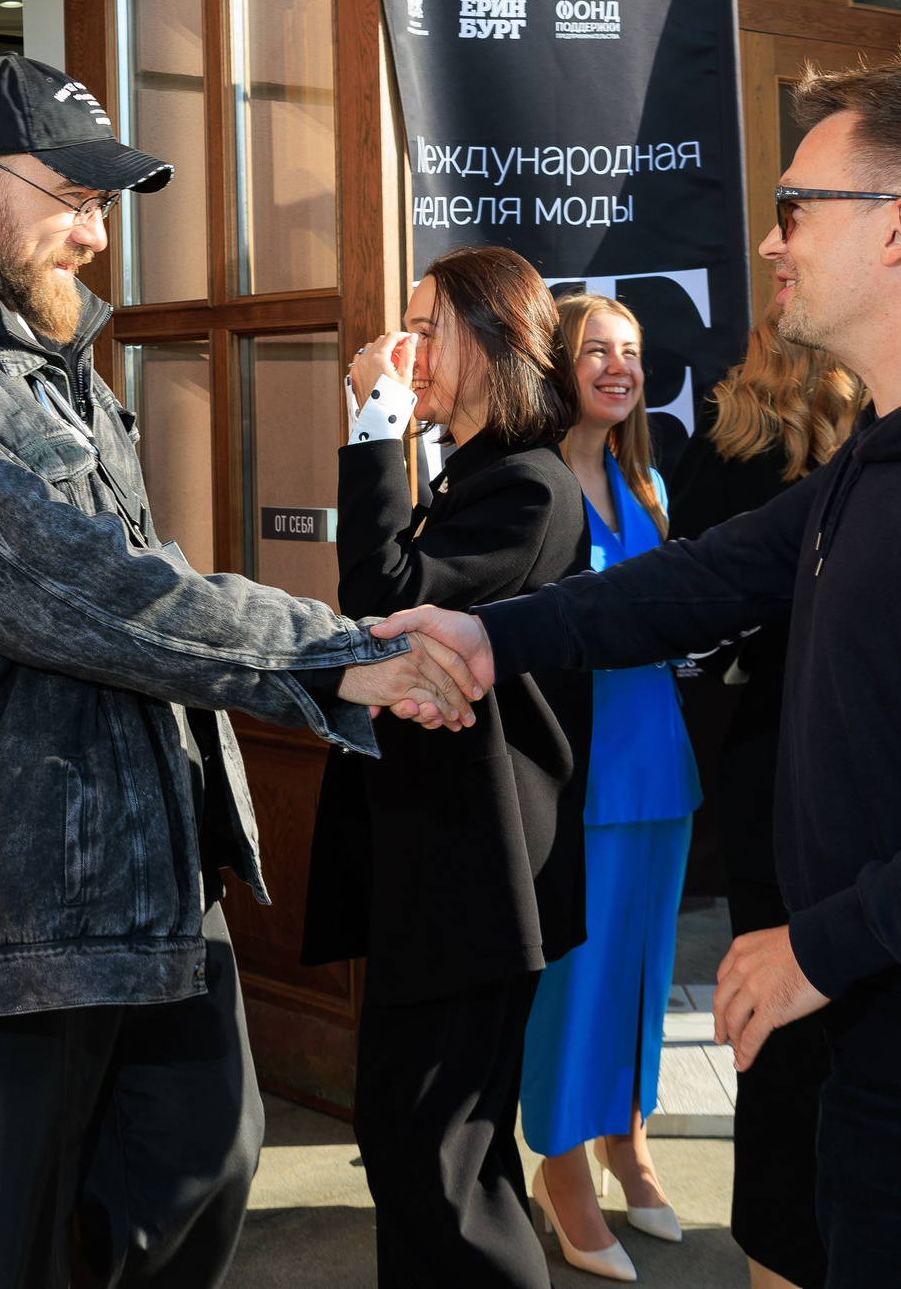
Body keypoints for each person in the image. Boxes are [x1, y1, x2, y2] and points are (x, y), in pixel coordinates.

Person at [375, 51, 901, 1289]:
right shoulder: (897, 442)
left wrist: (822, 943)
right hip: (865, 1017)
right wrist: (496, 633)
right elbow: (708, 575)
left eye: (798, 208)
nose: (770, 242)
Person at [0, 53, 472, 1289]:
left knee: (200, 1171)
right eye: (74, 197)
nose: (97, 233)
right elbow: (66, 584)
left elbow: (136, 574)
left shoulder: (52, 360)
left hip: (145, 898)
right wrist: (332, 653)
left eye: (108, 204)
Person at [301, 246, 591, 1288]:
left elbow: (381, 602)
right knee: (411, 1146)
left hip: (479, 873)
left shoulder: (528, 487)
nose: (402, 348)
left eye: (425, 326)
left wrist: (374, 424)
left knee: (440, 1164)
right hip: (436, 866)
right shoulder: (470, 478)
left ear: (492, 339)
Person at [660, 298, 862, 1289]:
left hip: (807, 765)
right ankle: (786, 1252)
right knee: (790, 1023)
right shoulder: (742, 452)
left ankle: (793, 1249)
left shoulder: (881, 439)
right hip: (786, 764)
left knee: (795, 1023)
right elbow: (692, 609)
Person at [515, 292, 698, 1280]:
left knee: (639, 974)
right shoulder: (533, 486)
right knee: (573, 985)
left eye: (631, 352)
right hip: (577, 777)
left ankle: (629, 1139)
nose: (619, 368)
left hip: (657, 767)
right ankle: (562, 1163)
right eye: (598, 351)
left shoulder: (649, 487)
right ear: (559, 366)